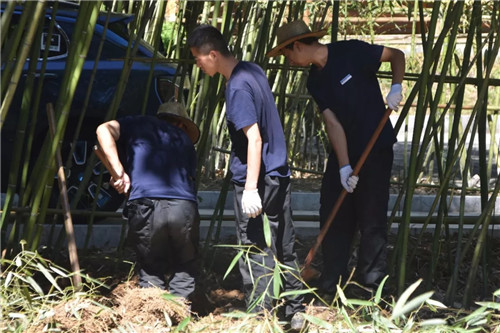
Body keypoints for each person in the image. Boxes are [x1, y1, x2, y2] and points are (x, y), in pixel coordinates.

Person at [267, 20, 405, 295]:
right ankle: (331, 281)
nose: (288, 60)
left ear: (297, 46)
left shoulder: (351, 51)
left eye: (287, 54)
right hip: (345, 151)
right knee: (333, 208)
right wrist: (343, 167)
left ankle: (371, 285)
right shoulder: (315, 80)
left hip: (375, 147)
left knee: (371, 216)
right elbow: (332, 123)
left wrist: (396, 87)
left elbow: (396, 55)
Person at [187, 24, 305, 328]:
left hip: (258, 179)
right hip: (278, 173)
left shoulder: (237, 87)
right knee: (284, 244)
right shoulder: (252, 70)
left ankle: (260, 317)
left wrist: (250, 188)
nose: (198, 66)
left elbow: (254, 139)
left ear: (213, 54)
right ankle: (295, 311)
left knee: (255, 250)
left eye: (199, 59)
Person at [95, 102, 201, 301]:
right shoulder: (186, 142)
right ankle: (180, 313)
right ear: (181, 124)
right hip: (183, 207)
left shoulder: (138, 124)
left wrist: (118, 172)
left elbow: (103, 130)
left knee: (151, 265)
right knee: (185, 263)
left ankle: (153, 316)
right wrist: (121, 175)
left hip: (145, 206)